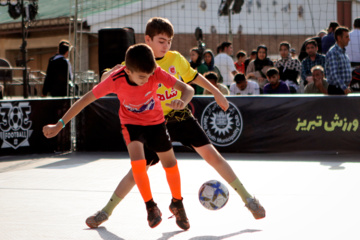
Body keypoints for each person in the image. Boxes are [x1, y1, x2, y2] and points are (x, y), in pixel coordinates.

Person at [85, 17, 265, 230]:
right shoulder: (135, 61)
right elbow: (107, 79)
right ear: (148, 40)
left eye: (169, 41)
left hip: (180, 117)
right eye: (161, 41)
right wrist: (109, 71)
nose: (166, 45)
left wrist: (216, 92)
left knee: (212, 155)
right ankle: (106, 210)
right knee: (138, 170)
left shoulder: (175, 59)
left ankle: (248, 200)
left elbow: (194, 78)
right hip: (153, 122)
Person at [43, 44, 194, 230]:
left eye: (149, 76)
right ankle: (150, 206)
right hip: (131, 124)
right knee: (138, 164)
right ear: (128, 71)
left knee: (170, 164)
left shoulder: (155, 72)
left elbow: (188, 89)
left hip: (155, 122)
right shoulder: (115, 79)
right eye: (141, 77)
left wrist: (183, 101)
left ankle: (177, 203)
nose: (146, 80)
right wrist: (59, 124)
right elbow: (84, 100)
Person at [326, 26, 352, 95]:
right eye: (346, 37)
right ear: (339, 38)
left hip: (343, 88)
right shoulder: (333, 52)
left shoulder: (343, 52)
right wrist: (344, 88)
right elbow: (334, 74)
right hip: (336, 89)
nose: (349, 39)